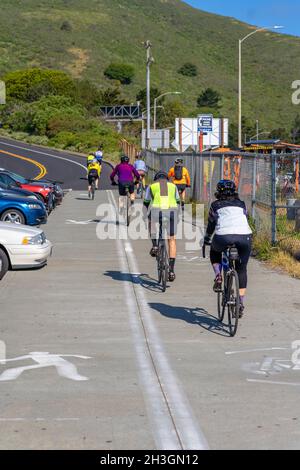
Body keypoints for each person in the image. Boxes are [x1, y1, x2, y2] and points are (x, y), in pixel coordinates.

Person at [203, 180, 253, 318]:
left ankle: (218, 276)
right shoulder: (241, 204)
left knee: (214, 251)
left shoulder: (215, 205)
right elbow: (246, 219)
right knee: (241, 269)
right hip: (244, 236)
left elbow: (211, 225)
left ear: (218, 192)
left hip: (223, 237)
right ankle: (240, 302)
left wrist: (207, 238)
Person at [143, 171, 181, 282]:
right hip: (172, 211)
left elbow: (146, 202)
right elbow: (178, 202)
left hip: (157, 211)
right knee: (172, 239)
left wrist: (145, 215)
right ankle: (172, 271)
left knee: (151, 222)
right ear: (167, 179)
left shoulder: (152, 186)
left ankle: (155, 245)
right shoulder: (173, 186)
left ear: (156, 179)